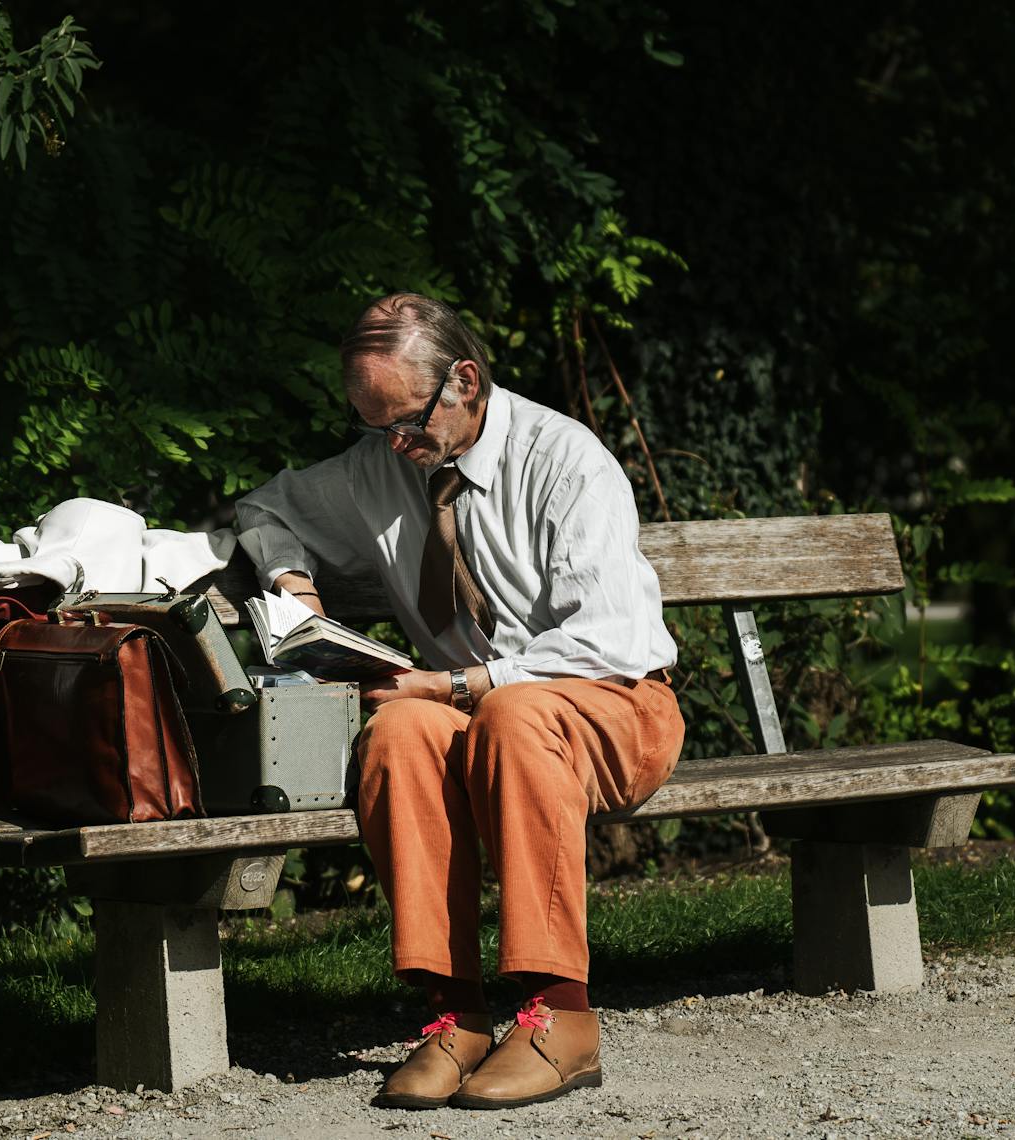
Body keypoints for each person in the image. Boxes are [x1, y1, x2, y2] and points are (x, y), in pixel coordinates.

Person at [235, 293, 684, 1110]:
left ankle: (564, 1016)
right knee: (399, 729)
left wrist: (455, 684)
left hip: (614, 709)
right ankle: (454, 1014)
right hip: (474, 721)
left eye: (405, 423)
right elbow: (264, 508)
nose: (393, 446)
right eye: (374, 427)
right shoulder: (383, 465)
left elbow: (607, 642)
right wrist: (294, 584)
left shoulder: (566, 461)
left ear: (465, 381)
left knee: (511, 713)